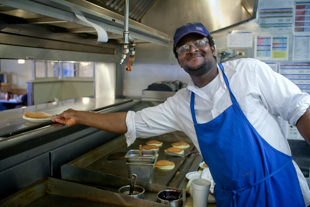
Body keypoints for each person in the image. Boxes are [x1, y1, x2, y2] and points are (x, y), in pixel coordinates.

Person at [53, 22, 310, 207]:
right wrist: (79, 115)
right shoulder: (180, 104)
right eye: (183, 48)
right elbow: (131, 121)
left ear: (212, 47)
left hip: (278, 188)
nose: (192, 49)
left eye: (199, 42)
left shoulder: (248, 72)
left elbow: (299, 110)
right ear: (179, 61)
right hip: (231, 198)